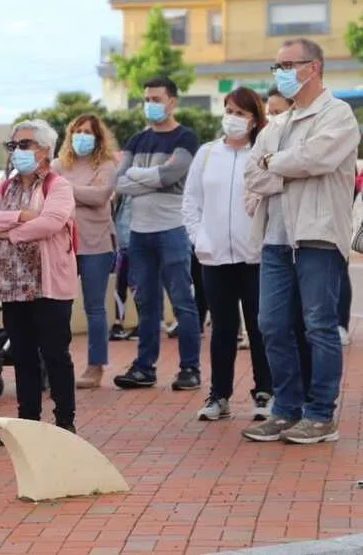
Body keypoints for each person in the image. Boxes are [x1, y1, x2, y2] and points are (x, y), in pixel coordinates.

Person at [242, 38, 358, 444]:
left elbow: (317, 159)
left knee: (319, 326)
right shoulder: (276, 125)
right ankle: (286, 410)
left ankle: (320, 415)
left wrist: (275, 164)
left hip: (318, 235)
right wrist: (286, 169)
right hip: (275, 238)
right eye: (277, 67)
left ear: (314, 67)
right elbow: (252, 176)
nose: (281, 74)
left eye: (288, 65)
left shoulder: (337, 115)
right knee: (271, 325)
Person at [0, 120, 78, 436]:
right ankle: (28, 423)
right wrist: (21, 217)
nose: (16, 151)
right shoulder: (3, 186)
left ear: (45, 150)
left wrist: (8, 233)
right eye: (13, 146)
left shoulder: (58, 186)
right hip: (12, 287)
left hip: (49, 287)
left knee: (55, 355)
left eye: (24, 145)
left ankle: (65, 422)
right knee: (22, 357)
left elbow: (51, 222)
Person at [182, 87, 272, 422]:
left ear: (254, 120)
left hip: (255, 258)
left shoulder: (262, 154)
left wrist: (263, 241)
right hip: (214, 257)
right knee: (222, 329)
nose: (232, 118)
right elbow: (190, 202)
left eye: (240, 113)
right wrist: (199, 238)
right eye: (229, 111)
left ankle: (265, 392)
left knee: (260, 327)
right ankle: (219, 395)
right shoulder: (207, 154)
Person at [113, 76, 201, 391]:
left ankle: (190, 368)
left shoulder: (186, 138)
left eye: (156, 99)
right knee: (146, 303)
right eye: (147, 99)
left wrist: (138, 174)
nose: (150, 104)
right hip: (139, 234)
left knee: (182, 301)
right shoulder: (137, 139)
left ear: (171, 101)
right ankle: (144, 367)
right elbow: (118, 181)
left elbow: (172, 175)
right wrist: (152, 178)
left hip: (173, 230)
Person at [51, 114, 118, 389]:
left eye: (88, 132)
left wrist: (66, 188)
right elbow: (50, 196)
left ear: (98, 137)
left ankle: (95, 366)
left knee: (94, 307)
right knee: (57, 307)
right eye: (77, 131)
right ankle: (56, 363)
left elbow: (100, 197)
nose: (82, 136)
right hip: (62, 244)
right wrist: (82, 192)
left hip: (96, 244)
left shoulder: (107, 165)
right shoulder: (58, 164)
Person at [109, 194, 137, 341]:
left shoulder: (134, 194)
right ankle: (118, 324)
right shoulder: (121, 196)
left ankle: (144, 323)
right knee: (120, 285)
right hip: (122, 246)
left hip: (135, 245)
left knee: (135, 285)